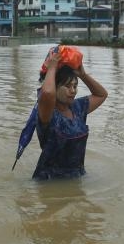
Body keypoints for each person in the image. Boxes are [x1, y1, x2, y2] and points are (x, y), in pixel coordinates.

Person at [33, 48, 108, 180]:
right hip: (49, 183)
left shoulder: (77, 108)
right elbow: (48, 94)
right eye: (68, 86)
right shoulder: (47, 112)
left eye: (75, 86)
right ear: (55, 87)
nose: (73, 91)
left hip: (77, 177)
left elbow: (101, 94)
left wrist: (83, 75)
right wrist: (52, 69)